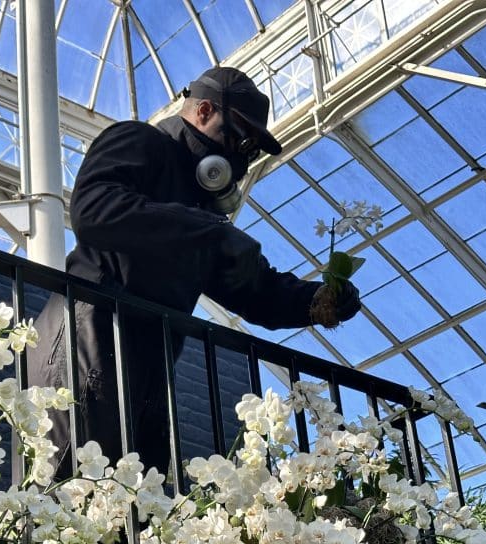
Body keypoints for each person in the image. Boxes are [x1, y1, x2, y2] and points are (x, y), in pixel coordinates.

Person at [28, 66, 361, 482]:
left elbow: (253, 290)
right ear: (203, 111)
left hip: (146, 366)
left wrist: (317, 301)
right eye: (241, 141)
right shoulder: (140, 140)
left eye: (252, 152)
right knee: (70, 489)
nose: (242, 161)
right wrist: (208, 231)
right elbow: (93, 210)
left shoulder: (202, 216)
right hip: (87, 342)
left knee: (133, 514)